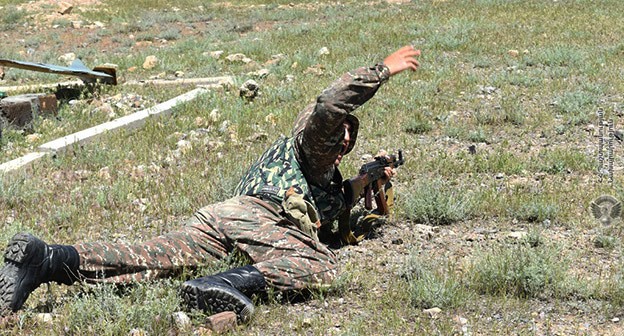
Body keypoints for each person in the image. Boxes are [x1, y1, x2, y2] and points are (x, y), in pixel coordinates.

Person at [0, 45, 421, 323]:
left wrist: (369, 179)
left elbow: (335, 202)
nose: (344, 136)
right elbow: (330, 105)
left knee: (149, 259)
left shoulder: (324, 180)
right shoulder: (309, 144)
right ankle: (223, 285)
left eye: (352, 134)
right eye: (341, 131)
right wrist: (383, 70)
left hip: (226, 218)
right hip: (258, 215)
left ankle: (45, 259)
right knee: (319, 266)